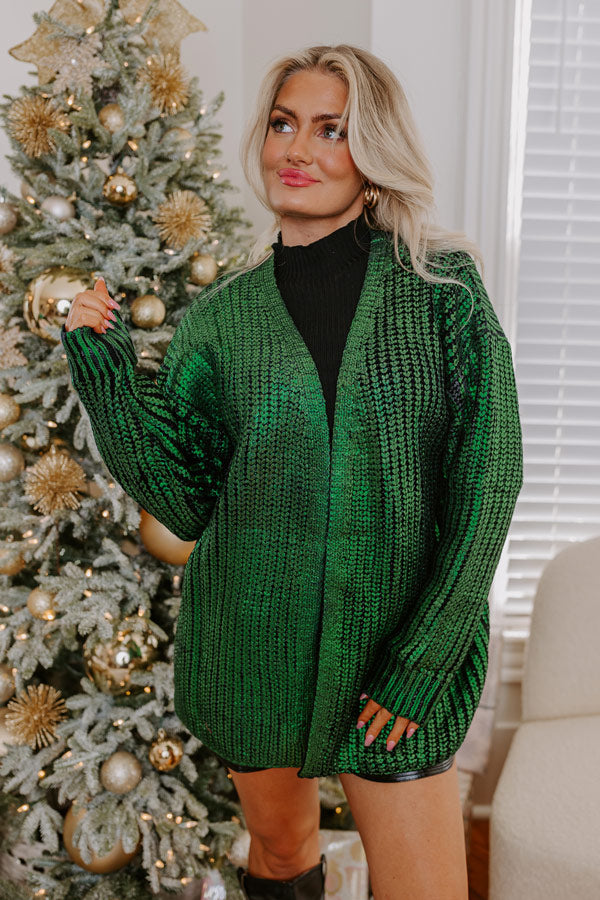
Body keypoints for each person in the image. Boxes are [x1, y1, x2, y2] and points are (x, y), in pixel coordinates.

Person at [62, 44, 523, 900]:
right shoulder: (220, 320)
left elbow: (488, 479)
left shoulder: (441, 291)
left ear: (372, 153)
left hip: (396, 651)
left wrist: (424, 657)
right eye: (283, 124)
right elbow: (185, 502)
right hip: (253, 650)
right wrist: (106, 374)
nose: (296, 150)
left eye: (330, 130)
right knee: (280, 858)